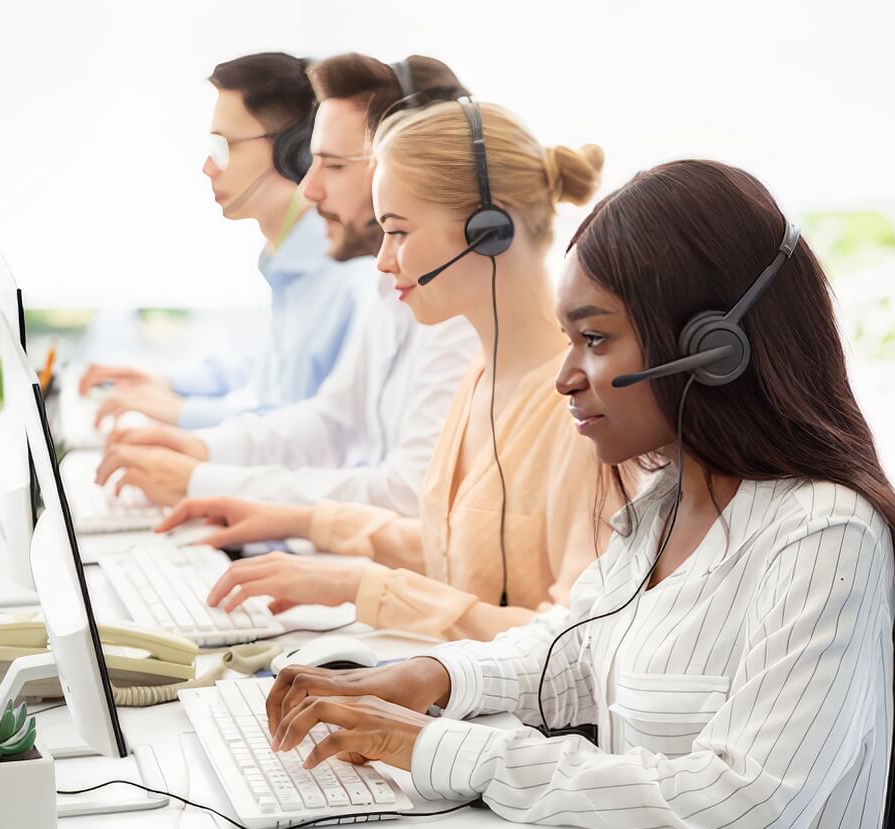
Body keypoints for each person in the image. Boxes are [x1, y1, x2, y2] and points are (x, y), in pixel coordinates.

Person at [257, 160, 895, 829]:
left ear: (711, 348)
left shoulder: (825, 532)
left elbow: (741, 803)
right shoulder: (667, 497)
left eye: (595, 338)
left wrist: (436, 748)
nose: (565, 377)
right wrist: (425, 676)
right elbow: (576, 651)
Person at [158, 100, 624, 642]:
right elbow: (460, 552)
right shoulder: (480, 376)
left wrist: (367, 589)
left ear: (488, 230)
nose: (382, 260)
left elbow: (574, 641)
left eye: (398, 232)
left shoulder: (583, 412)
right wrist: (305, 527)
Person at [95, 54, 477, 514]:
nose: (309, 188)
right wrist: (201, 452)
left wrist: (202, 478)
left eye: (333, 166)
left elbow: (407, 495)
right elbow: (330, 422)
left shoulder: (454, 311)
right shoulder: (385, 290)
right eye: (312, 162)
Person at [78, 52, 368, 429]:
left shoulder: (342, 276)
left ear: (294, 151)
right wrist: (168, 384)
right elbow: (267, 370)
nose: (208, 166)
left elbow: (294, 423)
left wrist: (178, 413)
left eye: (226, 146)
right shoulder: (289, 262)